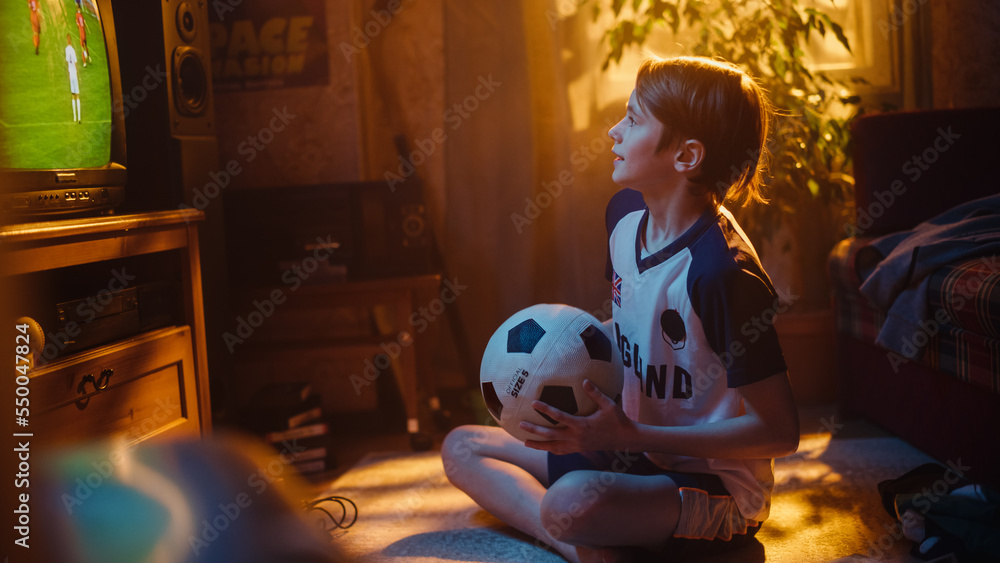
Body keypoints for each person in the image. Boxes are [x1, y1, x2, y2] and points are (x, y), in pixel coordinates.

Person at [442, 55, 800, 563]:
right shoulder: (624, 216)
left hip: (709, 485)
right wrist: (559, 350)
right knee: (461, 448)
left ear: (686, 156)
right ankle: (593, 550)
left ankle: (601, 542)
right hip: (626, 448)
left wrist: (633, 434)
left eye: (632, 121)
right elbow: (629, 323)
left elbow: (782, 433)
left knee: (567, 504)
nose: (613, 131)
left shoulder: (723, 276)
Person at [65, 33, 81, 123]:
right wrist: (78, 75)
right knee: (77, 95)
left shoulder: (66, 49)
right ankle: (78, 118)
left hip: (71, 74)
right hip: (74, 73)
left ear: (67, 40)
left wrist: (68, 74)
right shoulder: (73, 50)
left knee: (73, 95)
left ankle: (75, 118)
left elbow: (68, 62)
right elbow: (75, 63)